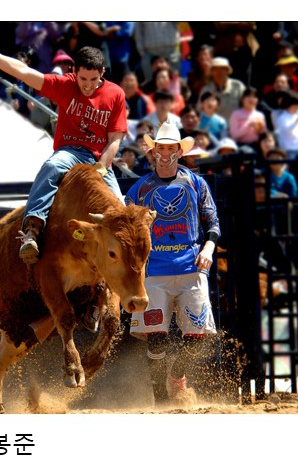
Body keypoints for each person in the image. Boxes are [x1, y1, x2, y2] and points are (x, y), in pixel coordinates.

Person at [0, 23, 127, 264]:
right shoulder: (65, 85)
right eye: (83, 78)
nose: (87, 85)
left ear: (102, 72)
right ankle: (32, 230)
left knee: (122, 211)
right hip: (70, 152)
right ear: (74, 71)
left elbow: (115, 139)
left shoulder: (116, 94)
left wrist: (102, 167)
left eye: (93, 79)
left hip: (100, 159)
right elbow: (23, 71)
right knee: (52, 166)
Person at [125, 122, 220, 406]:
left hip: (192, 268)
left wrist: (209, 248)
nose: (165, 154)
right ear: (153, 151)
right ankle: (160, 401)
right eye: (161, 149)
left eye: (171, 149)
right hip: (154, 273)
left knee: (198, 335)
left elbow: (212, 220)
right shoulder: (140, 189)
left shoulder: (195, 183)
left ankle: (177, 376)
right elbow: (126, 227)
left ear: (179, 151)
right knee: (156, 338)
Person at [198, 57, 246, 121]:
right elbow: (199, 111)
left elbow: (247, 109)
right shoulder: (206, 90)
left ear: (227, 71)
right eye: (215, 69)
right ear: (212, 72)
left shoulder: (238, 87)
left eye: (222, 69)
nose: (219, 72)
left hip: (235, 125)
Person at [273, 90, 298, 159]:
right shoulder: (282, 117)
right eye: (295, 106)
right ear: (289, 105)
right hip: (288, 149)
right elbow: (288, 130)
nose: (297, 108)